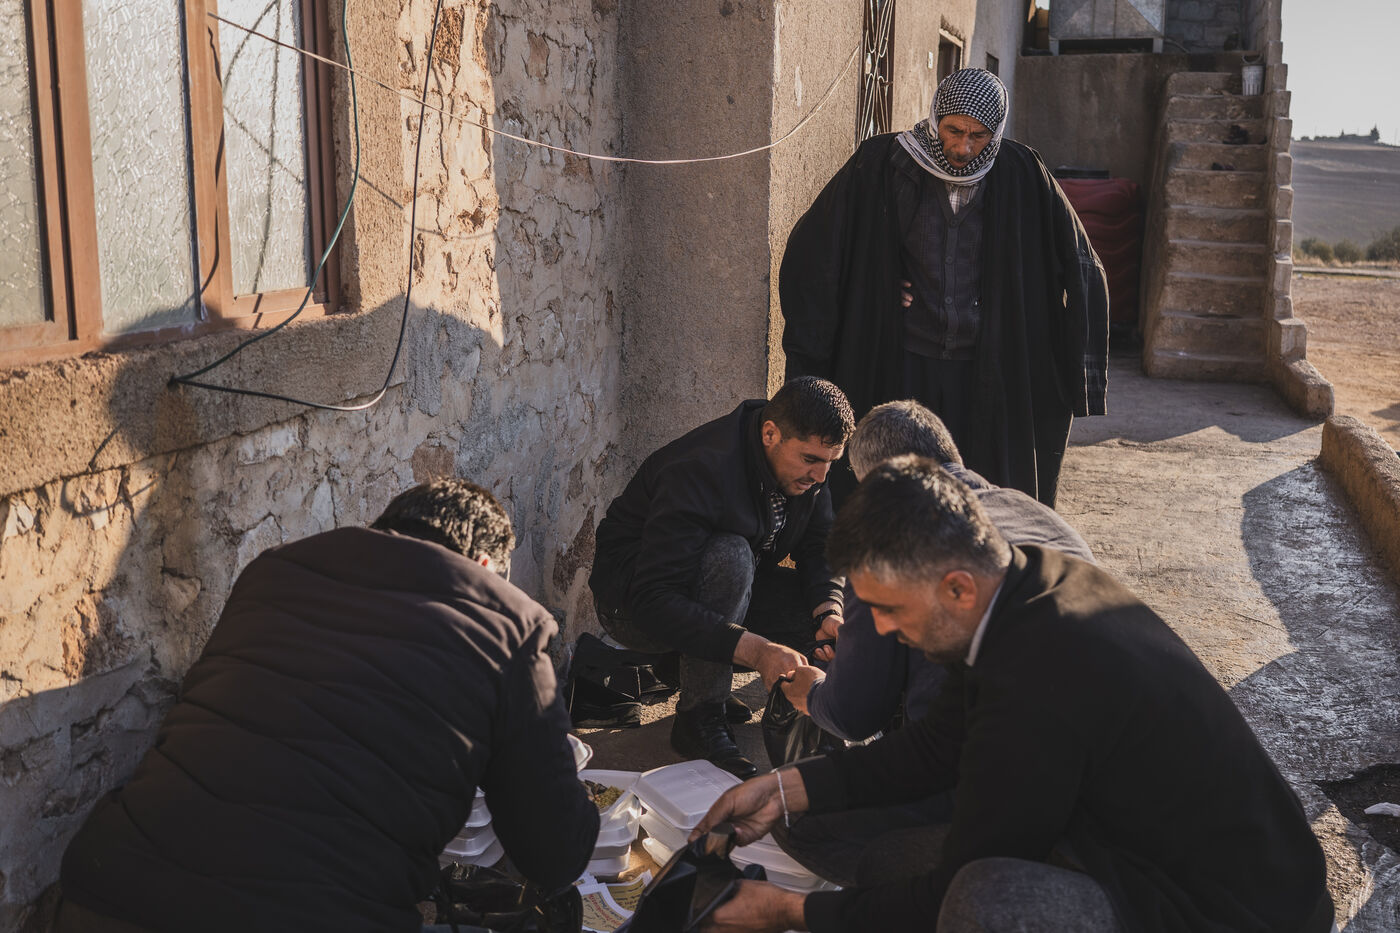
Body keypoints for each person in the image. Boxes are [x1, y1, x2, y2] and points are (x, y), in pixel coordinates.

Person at [692, 457, 1334, 933]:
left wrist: (789, 912)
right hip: (1131, 851)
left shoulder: (1041, 680)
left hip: (1231, 915)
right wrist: (785, 788)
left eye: (890, 609)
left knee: (983, 901)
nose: (881, 629)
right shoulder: (1027, 583)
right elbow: (936, 746)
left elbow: (959, 883)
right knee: (865, 850)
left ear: (957, 589)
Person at [57, 480, 599, 933]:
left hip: (106, 892)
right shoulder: (509, 627)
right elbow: (553, 853)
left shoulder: (272, 572)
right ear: (484, 566)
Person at [779, 67, 1109, 507]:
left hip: (984, 367)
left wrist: (1079, 370)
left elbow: (1083, 263)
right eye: (954, 130)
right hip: (903, 360)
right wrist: (875, 280)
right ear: (936, 118)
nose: (964, 147)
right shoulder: (884, 163)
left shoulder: (1021, 172)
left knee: (977, 492)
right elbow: (815, 248)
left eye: (979, 136)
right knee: (894, 485)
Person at [589, 377, 855, 779]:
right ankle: (699, 715)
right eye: (810, 460)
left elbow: (819, 545)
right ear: (770, 434)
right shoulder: (700, 469)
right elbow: (653, 600)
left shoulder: (808, 465)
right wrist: (758, 652)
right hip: (631, 605)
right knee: (731, 556)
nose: (820, 476)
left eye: (830, 462)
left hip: (718, 587)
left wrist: (828, 610)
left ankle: (686, 668)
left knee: (832, 616)